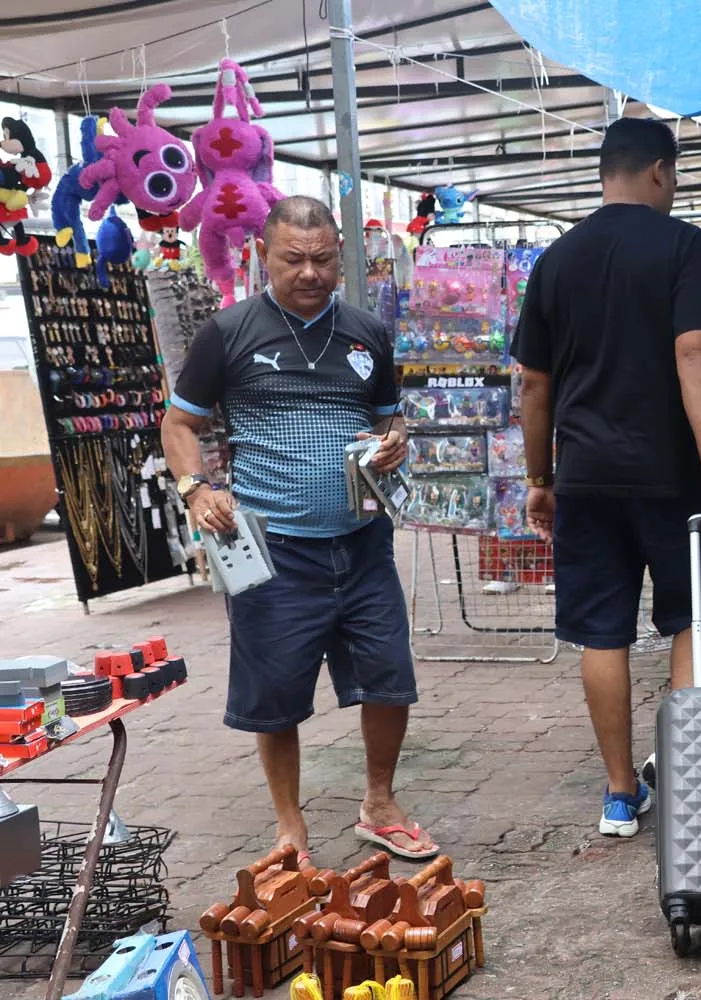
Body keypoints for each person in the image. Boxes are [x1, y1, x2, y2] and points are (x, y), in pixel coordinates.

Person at [162, 195, 437, 862]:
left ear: (339, 257)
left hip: (364, 541)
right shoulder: (228, 333)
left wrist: (394, 440)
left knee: (388, 677)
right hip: (272, 550)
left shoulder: (368, 332)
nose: (310, 272)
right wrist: (197, 489)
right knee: (275, 694)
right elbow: (179, 424)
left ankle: (379, 802)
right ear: (263, 254)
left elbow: (386, 419)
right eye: (294, 259)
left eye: (322, 260)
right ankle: (291, 826)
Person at [512, 117, 701, 839]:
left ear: (601, 174)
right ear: (659, 173)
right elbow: (696, 350)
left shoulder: (556, 260)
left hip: (584, 476)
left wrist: (540, 478)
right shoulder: (684, 246)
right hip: (672, 475)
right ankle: (682, 772)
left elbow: (532, 386)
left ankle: (619, 796)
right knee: (698, 612)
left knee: (602, 634)